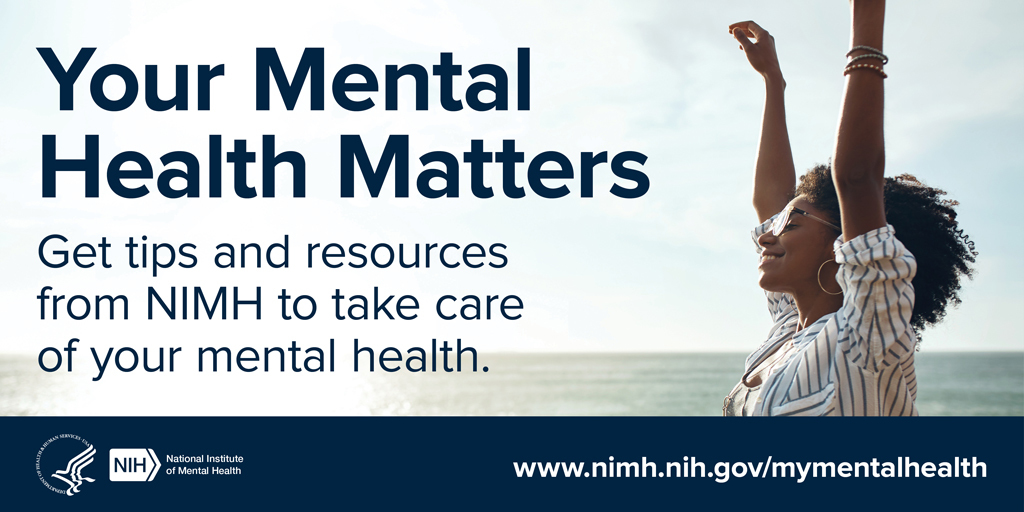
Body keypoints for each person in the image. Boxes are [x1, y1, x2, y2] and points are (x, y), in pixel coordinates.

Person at [723, 1, 976, 416]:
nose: (769, 234)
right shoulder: (792, 327)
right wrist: (773, 82)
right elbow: (770, 197)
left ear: (841, 246)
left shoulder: (866, 337)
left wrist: (867, 25)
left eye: (792, 224)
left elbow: (857, 179)